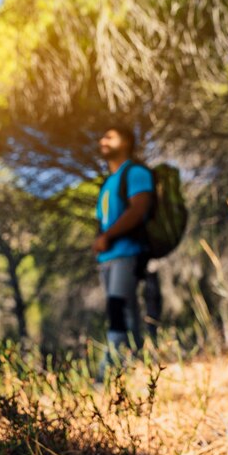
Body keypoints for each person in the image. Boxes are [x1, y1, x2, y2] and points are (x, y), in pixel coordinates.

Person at [93, 126, 156, 380]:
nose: (102, 140)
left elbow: (138, 209)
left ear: (127, 142)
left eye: (110, 136)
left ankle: (107, 373)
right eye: (102, 136)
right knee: (125, 312)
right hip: (108, 259)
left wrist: (109, 236)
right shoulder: (108, 183)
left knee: (117, 309)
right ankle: (136, 369)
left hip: (128, 253)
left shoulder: (137, 173)